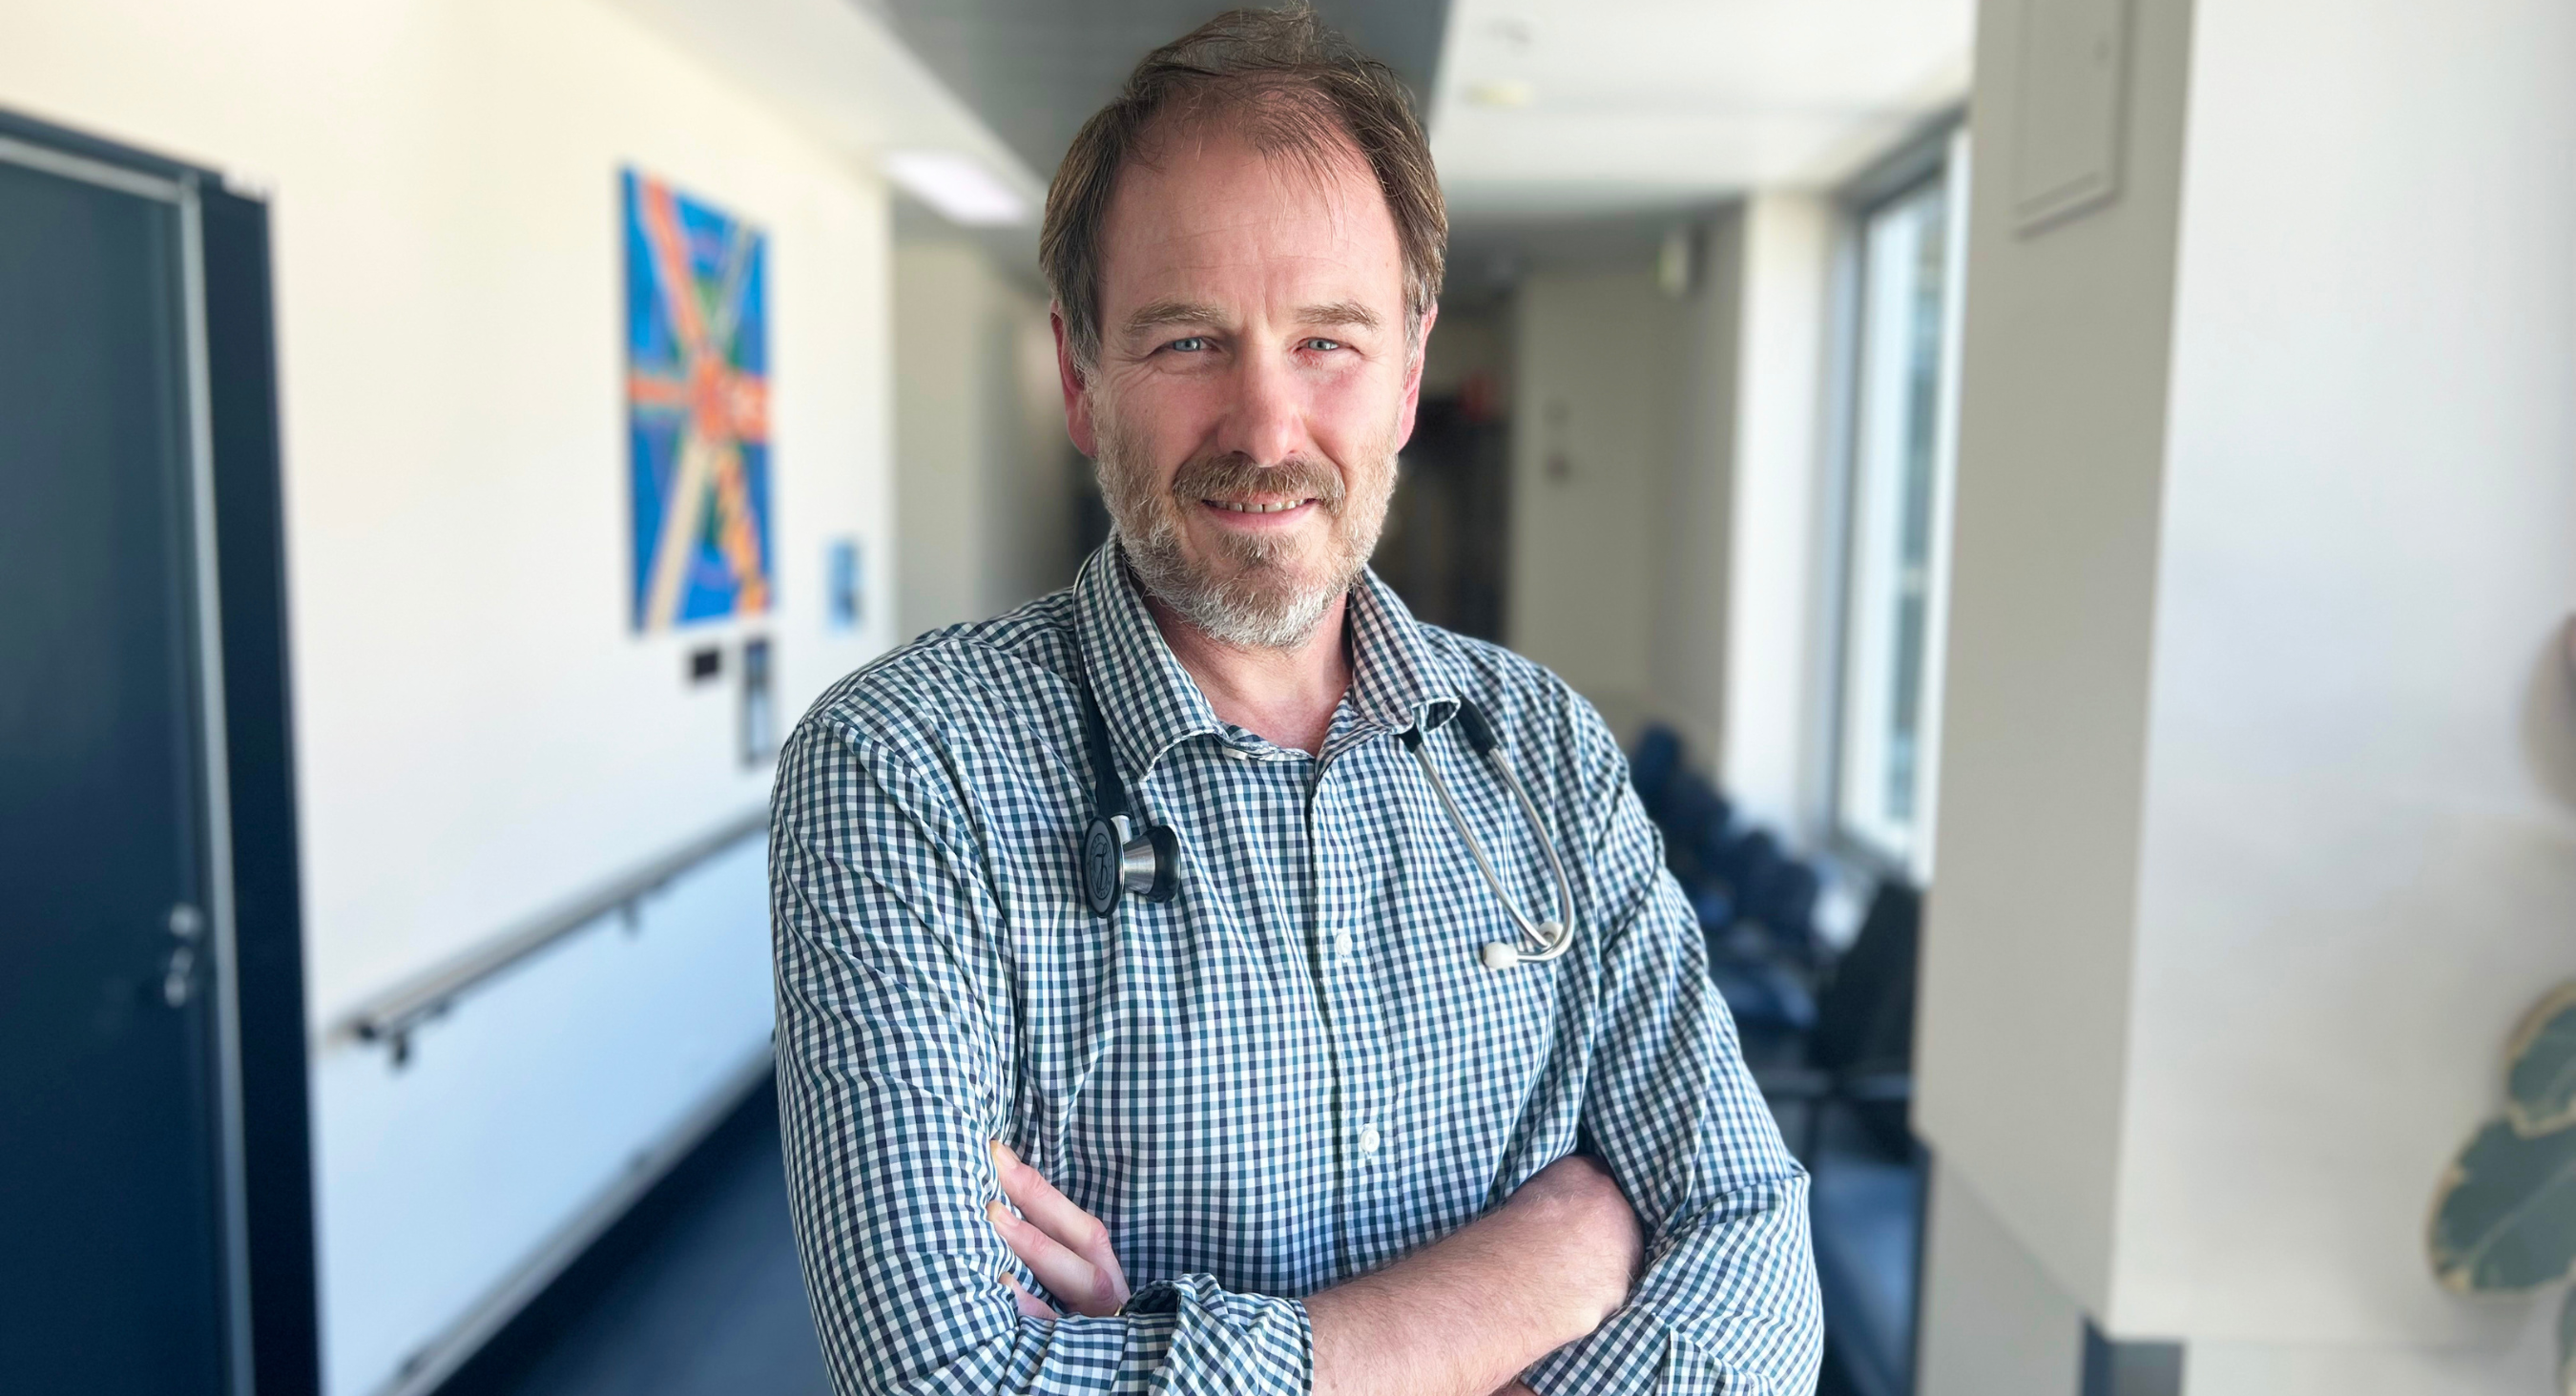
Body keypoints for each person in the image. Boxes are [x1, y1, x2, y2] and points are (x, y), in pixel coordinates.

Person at [769, 9, 1820, 1393]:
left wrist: (1150, 1353)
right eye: (1190, 341)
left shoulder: (1545, 752)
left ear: (1408, 371)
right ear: (1082, 376)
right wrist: (1530, 1272)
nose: (1267, 431)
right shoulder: (907, 773)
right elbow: (939, 1382)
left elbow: (1753, 1255)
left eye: (1327, 340)